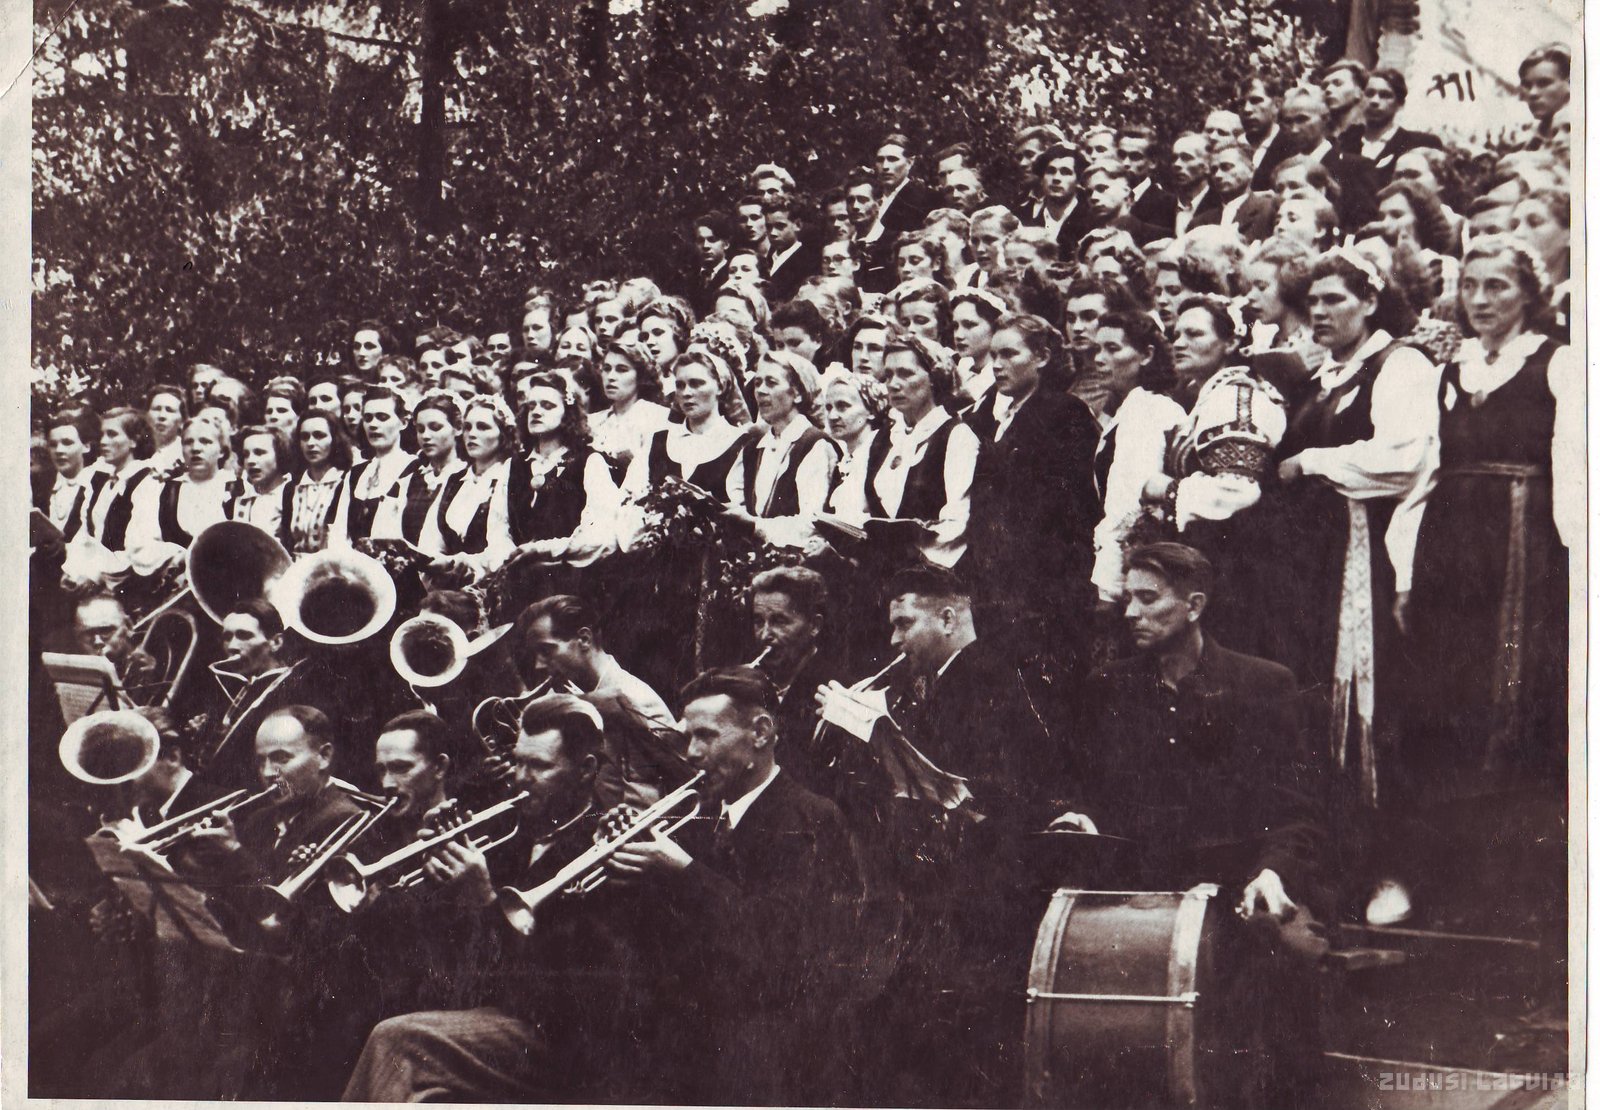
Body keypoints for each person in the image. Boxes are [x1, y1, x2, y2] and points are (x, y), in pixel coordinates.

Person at [1072, 543, 1324, 1097]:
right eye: (1128, 599)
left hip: (1238, 891)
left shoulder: (1263, 685)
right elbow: (1094, 795)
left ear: (1194, 605)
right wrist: (1080, 819)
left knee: (1284, 969)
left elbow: (1298, 811)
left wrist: (1273, 874)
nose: (1130, 613)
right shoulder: (1111, 686)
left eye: (1148, 599)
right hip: (1141, 895)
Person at [342, 693, 659, 1103]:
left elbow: (561, 996)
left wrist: (484, 901)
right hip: (494, 1019)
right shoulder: (510, 836)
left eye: (539, 766)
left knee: (396, 1041)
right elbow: (454, 961)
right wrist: (439, 879)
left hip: (563, 1039)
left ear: (586, 770)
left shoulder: (608, 849)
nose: (520, 778)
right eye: (518, 761)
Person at [1392, 237, 1575, 929]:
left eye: (1497, 286)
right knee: (1444, 702)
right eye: (1470, 286)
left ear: (1529, 293)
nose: (1481, 300)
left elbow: (1574, 470)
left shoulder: (1558, 363)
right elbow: (1424, 476)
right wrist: (1407, 574)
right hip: (1449, 551)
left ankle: (1509, 893)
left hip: (1522, 551)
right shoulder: (1450, 370)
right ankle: (1440, 881)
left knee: (1513, 702)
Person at [606, 666, 867, 1105]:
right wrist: (625, 860)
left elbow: (779, 945)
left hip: (773, 1049)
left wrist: (683, 870)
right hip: (693, 1034)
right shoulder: (698, 814)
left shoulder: (812, 817)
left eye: (706, 736)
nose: (691, 753)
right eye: (687, 738)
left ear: (760, 733)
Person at [1272, 248, 1437, 800]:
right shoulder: (1320, 378)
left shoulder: (1400, 365)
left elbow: (1402, 459)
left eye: (1333, 299)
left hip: (1366, 549)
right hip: (1312, 554)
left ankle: (1373, 811)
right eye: (1312, 302)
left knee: (1369, 678)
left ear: (1369, 302)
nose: (1318, 312)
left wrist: (1312, 462)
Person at [966, 313, 1101, 677]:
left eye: (1010, 354)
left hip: (1047, 581)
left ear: (1041, 357)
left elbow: (1069, 506)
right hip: (996, 579)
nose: (997, 365)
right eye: (994, 355)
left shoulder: (1066, 414)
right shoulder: (990, 417)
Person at [515, 595, 681, 807]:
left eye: (546, 651)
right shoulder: (561, 694)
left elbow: (647, 795)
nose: (538, 665)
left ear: (584, 639)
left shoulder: (636, 698)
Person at [1088, 311, 1187, 603]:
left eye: (1112, 348)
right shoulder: (1130, 408)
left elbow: (1129, 505)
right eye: (1097, 349)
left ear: (1146, 355)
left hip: (1134, 574)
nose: (1099, 359)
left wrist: (1110, 587)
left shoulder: (1147, 409)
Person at [726, 350, 837, 548]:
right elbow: (738, 502)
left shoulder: (814, 445)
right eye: (758, 383)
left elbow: (811, 523)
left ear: (798, 394)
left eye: (771, 382)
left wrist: (755, 526)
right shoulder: (753, 448)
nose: (760, 391)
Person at [419, 394, 517, 577]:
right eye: (467, 427)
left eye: (483, 427)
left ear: (503, 434)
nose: (472, 434)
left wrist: (464, 566)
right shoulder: (456, 481)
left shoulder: (509, 478)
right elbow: (431, 541)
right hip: (447, 581)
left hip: (491, 580)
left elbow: (503, 546)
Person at [128, 415, 234, 567]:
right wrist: (178, 558)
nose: (196, 448)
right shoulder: (163, 490)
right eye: (188, 442)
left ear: (222, 451)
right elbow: (140, 544)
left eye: (205, 441)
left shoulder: (238, 489)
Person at [329, 385, 414, 546]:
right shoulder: (356, 473)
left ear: (403, 422)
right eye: (368, 418)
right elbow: (339, 531)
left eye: (382, 417)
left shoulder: (414, 470)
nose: (373, 425)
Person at [589, 338, 672, 474]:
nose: (611, 377)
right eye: (607, 369)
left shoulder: (659, 418)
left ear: (641, 376)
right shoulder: (591, 422)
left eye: (622, 370)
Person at [1359, 68, 1442, 184]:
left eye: (1385, 95)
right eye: (1369, 93)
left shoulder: (1419, 143)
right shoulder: (1345, 142)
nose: (1374, 101)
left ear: (1400, 103)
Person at [287, 411, 352, 555]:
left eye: (319, 436)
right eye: (304, 437)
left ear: (335, 439)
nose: (310, 443)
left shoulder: (345, 483)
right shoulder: (291, 488)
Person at [231, 426, 294, 547]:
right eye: (246, 455)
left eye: (259, 453)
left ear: (280, 455)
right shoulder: (237, 501)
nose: (250, 461)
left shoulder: (293, 497)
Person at [1517, 44, 1570, 151]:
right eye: (1527, 85)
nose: (1532, 93)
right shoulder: (1532, 140)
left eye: (1544, 83)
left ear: (1570, 84)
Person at [144, 383, 187, 476]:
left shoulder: (185, 456)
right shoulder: (138, 453)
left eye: (170, 410)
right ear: (147, 416)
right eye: (156, 409)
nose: (162, 416)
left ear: (182, 422)